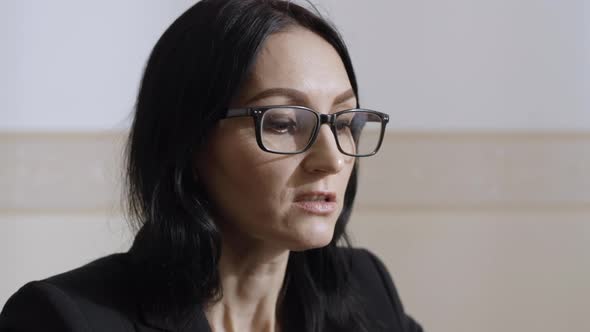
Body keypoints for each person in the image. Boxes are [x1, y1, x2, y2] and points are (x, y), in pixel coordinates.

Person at [0, 0, 423, 331]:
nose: (331, 159)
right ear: (190, 141)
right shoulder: (63, 319)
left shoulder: (366, 288)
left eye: (345, 121)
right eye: (282, 123)